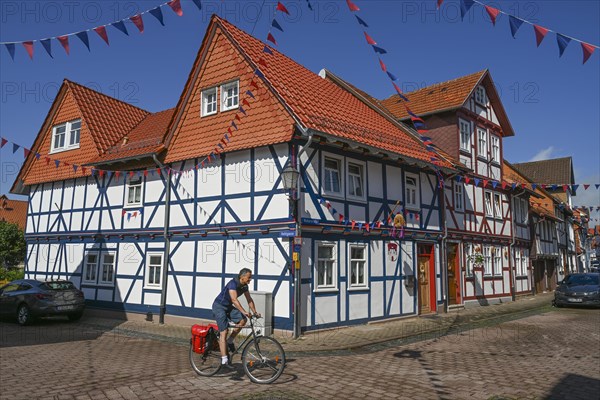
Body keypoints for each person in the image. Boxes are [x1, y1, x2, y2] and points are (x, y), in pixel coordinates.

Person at [212, 268, 260, 366]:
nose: (250, 279)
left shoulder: (244, 286)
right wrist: (244, 311)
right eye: (249, 277)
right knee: (224, 332)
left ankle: (230, 341)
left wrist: (255, 312)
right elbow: (234, 300)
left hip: (228, 307)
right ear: (242, 277)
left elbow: (249, 299)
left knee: (243, 320)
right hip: (219, 306)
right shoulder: (232, 284)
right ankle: (224, 359)